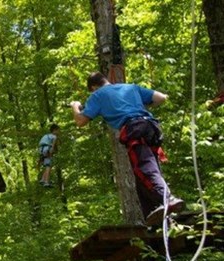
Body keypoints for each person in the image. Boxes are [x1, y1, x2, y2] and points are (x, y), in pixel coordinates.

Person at [70, 72, 184, 225]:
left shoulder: (97, 95)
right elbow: (161, 98)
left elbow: (80, 121)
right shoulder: (130, 88)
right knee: (142, 175)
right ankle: (155, 216)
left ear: (94, 87)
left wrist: (75, 107)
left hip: (134, 129)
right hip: (151, 128)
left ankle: (167, 198)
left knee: (144, 168)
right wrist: (137, 104)